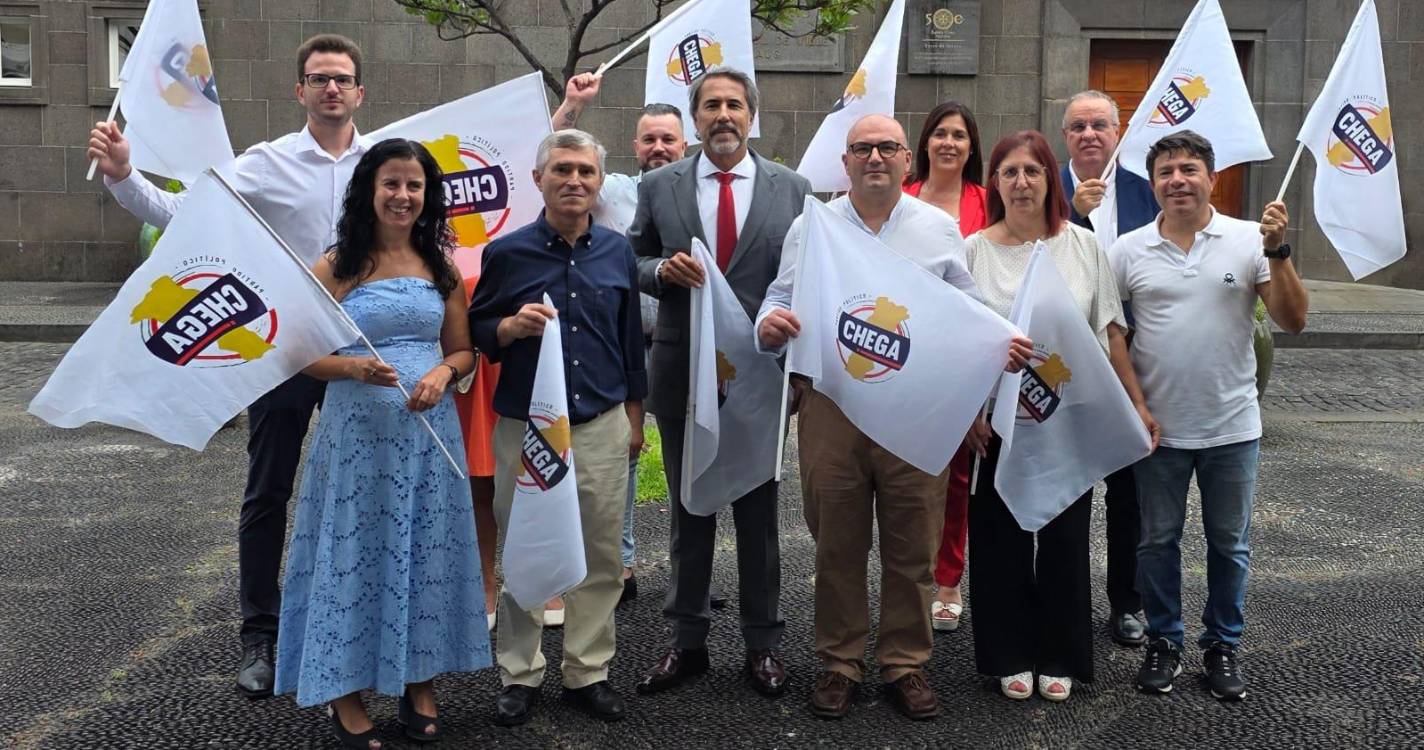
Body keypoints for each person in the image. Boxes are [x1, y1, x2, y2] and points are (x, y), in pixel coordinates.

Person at [87, 34, 373, 698]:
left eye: (342, 78)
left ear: (360, 92)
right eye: (319, 78)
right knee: (269, 491)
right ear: (300, 91)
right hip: (285, 352)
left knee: (362, 491)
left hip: (364, 351)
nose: (331, 87)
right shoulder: (266, 164)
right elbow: (181, 214)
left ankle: (352, 625)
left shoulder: (385, 162)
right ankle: (260, 635)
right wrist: (125, 174)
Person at [756, 115, 1019, 720]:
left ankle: (905, 662)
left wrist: (996, 346)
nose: (874, 157)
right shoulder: (812, 225)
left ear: (906, 160)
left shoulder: (938, 228)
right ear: (845, 162)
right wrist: (768, 325)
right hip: (832, 405)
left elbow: (968, 310)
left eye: (886, 148)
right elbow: (779, 296)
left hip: (915, 408)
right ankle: (840, 662)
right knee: (837, 544)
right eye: (862, 148)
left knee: (912, 545)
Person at [275, 138, 489, 749]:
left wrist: (443, 372)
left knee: (422, 556)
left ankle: (419, 682)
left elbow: (463, 350)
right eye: (391, 183)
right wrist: (352, 368)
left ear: (428, 196)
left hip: (428, 442)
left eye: (414, 185)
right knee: (354, 556)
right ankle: (343, 693)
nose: (402, 195)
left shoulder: (441, 268)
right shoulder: (339, 264)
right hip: (356, 443)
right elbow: (294, 352)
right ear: (369, 191)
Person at [627, 66, 811, 699]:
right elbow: (631, 257)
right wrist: (660, 272)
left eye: (735, 104)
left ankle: (763, 643)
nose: (724, 115)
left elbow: (807, 277)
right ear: (696, 118)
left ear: (752, 115)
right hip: (684, 371)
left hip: (760, 376)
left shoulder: (793, 189)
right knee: (690, 509)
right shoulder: (660, 185)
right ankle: (686, 641)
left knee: (759, 516)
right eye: (711, 105)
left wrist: (798, 362)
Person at [963, 130, 1157, 703]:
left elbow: (1111, 332)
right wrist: (969, 412)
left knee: (1065, 539)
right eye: (1009, 172)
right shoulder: (972, 251)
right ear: (995, 183)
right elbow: (959, 341)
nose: (1021, 182)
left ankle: (1060, 653)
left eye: (1033, 171)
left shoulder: (1083, 246)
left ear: (1052, 179)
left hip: (1067, 418)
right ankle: (1008, 653)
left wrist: (1136, 404)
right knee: (999, 539)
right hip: (997, 422)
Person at [1114, 131, 1306, 701]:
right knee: (1156, 542)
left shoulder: (1250, 240)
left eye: (1189, 169)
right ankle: (1164, 640)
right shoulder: (1127, 250)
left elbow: (1293, 320)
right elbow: (1110, 330)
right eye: (1166, 171)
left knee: (1230, 546)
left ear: (1211, 178)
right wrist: (1135, 403)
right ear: (1153, 184)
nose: (1177, 180)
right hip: (1160, 431)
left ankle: (1222, 645)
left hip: (1232, 427)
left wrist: (1278, 252)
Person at [469, 129, 648, 726]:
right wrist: (508, 328)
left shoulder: (617, 252)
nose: (574, 181)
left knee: (601, 555)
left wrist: (635, 418)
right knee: (525, 547)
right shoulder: (507, 253)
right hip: (528, 431)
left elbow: (629, 341)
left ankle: (587, 671)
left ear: (599, 183)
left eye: (585, 172)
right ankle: (519, 674)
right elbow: (477, 331)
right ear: (539, 179)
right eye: (562, 170)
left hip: (599, 426)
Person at [555, 74, 691, 607]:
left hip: (682, 342)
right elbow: (549, 155)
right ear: (635, 146)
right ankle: (622, 561)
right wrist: (573, 104)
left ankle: (690, 571)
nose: (658, 147)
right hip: (620, 345)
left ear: (685, 144)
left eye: (668, 139)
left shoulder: (697, 194)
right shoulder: (611, 190)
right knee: (624, 453)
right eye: (649, 138)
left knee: (688, 457)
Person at [1060, 90, 1162, 647]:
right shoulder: (1044, 187)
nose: (1089, 135)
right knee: (1067, 492)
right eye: (1078, 126)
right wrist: (1072, 212)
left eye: (1100, 125)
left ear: (1118, 133)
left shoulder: (1148, 190)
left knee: (1129, 495)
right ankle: (1064, 603)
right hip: (1062, 367)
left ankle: (1128, 602)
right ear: (1065, 136)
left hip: (1130, 363)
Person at [901, 100, 989, 633]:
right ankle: (905, 576)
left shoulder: (988, 201)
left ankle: (948, 579)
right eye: (940, 133)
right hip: (903, 351)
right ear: (925, 143)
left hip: (963, 354)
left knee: (957, 474)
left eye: (959, 135)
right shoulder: (901, 196)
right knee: (905, 474)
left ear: (971, 146)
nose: (949, 143)